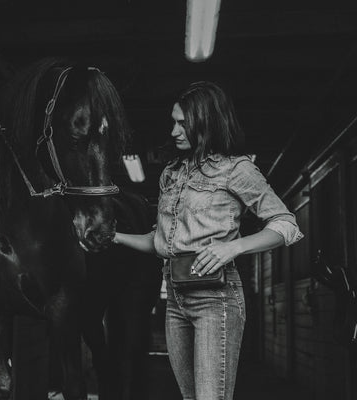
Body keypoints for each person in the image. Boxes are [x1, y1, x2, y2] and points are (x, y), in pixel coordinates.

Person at [112, 81, 303, 400]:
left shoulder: (236, 169)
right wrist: (114, 236)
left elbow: (286, 224)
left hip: (216, 299)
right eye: (173, 121)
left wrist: (234, 246)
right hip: (175, 299)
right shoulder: (171, 173)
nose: (174, 130)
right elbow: (160, 241)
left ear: (207, 122)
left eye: (183, 123)